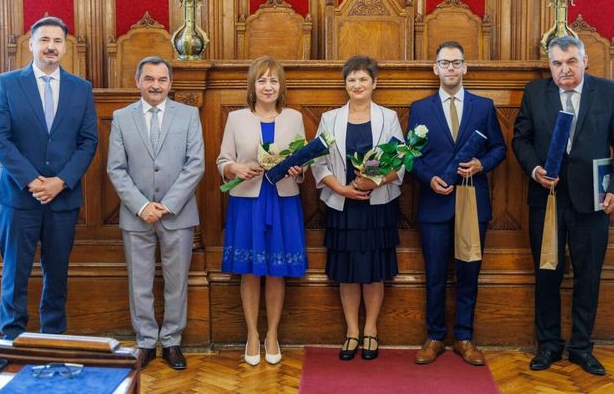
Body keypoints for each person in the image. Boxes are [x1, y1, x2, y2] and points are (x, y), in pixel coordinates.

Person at [512, 36, 614, 376]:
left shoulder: (607, 91)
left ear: (584, 62)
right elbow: (520, 139)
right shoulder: (535, 93)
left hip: (593, 202)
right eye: (556, 63)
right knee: (546, 274)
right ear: (549, 65)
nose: (564, 69)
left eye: (570, 62)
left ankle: (581, 347)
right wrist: (535, 170)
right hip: (546, 200)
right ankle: (548, 345)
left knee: (588, 277)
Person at [0, 16, 98, 340]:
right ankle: (12, 340)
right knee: (15, 273)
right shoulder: (8, 83)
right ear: (31, 44)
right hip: (18, 196)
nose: (51, 46)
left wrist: (60, 181)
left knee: (57, 274)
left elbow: (88, 141)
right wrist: (32, 180)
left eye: (58, 41)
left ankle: (53, 339)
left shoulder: (81, 89)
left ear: (65, 47)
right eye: (45, 40)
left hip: (62, 198)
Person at [408, 41, 506, 366]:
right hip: (434, 204)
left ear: (465, 68)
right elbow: (411, 158)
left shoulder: (484, 106)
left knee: (468, 273)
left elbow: (499, 149)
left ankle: (464, 337)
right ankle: (435, 337)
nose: (451, 68)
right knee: (434, 275)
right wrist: (427, 178)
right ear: (435, 68)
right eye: (445, 63)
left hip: (471, 202)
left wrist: (481, 165)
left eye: (456, 63)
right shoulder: (420, 109)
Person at [107, 56, 205, 370]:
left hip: (178, 213)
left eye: (162, 80)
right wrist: (142, 206)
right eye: (149, 79)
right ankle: (146, 341)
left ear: (170, 83)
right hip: (137, 214)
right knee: (140, 281)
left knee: (177, 281)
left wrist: (168, 204)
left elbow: (195, 165)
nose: (155, 85)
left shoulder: (189, 115)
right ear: (138, 81)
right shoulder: (121, 117)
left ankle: (173, 341)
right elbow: (116, 169)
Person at [311, 55, 404, 361]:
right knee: (348, 272)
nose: (357, 85)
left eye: (363, 79)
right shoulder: (330, 119)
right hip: (342, 205)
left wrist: (374, 183)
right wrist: (340, 187)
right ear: (345, 85)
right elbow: (318, 160)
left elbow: (402, 162)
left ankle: (371, 330)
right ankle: (352, 331)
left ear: (374, 83)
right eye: (351, 80)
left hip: (377, 206)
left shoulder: (388, 118)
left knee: (374, 272)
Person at [217, 56, 308, 366]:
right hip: (248, 200)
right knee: (251, 272)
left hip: (282, 199)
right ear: (252, 85)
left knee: (276, 271)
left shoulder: (294, 118)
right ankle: (252, 335)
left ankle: (272, 335)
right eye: (262, 80)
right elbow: (222, 161)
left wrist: (298, 169)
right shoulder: (236, 119)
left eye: (273, 81)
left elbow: (305, 161)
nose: (268, 86)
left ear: (281, 86)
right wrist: (235, 168)